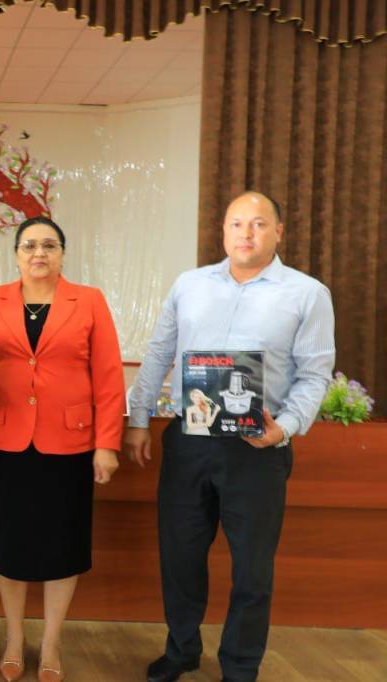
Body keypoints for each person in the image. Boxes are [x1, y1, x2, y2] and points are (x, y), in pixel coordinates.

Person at [124, 191, 335, 682]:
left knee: (252, 569)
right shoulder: (190, 284)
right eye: (237, 223)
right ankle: (181, 650)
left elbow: (315, 374)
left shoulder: (307, 294)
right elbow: (159, 354)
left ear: (278, 231)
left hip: (257, 450)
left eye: (258, 224)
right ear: (222, 231)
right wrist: (137, 420)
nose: (246, 233)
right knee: (180, 557)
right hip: (189, 442)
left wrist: (284, 429)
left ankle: (240, 666)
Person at [0, 216, 125, 682]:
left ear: (62, 253)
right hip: (8, 440)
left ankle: (53, 641)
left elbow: (108, 377)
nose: (39, 253)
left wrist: (107, 445)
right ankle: (14, 638)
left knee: (63, 545)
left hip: (70, 444)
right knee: (9, 545)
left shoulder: (89, 300)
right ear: (16, 254)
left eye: (49, 245)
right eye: (29, 246)